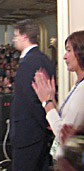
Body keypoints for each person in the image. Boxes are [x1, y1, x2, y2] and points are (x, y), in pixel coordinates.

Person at [10, 19, 55, 171]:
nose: (14, 39)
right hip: (37, 133)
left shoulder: (29, 62)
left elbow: (32, 100)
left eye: (16, 35)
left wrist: (45, 123)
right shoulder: (43, 58)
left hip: (28, 133)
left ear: (24, 36)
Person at [32, 30, 84, 160]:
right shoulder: (78, 84)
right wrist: (51, 100)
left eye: (68, 51)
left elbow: (63, 134)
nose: (64, 57)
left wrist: (46, 102)